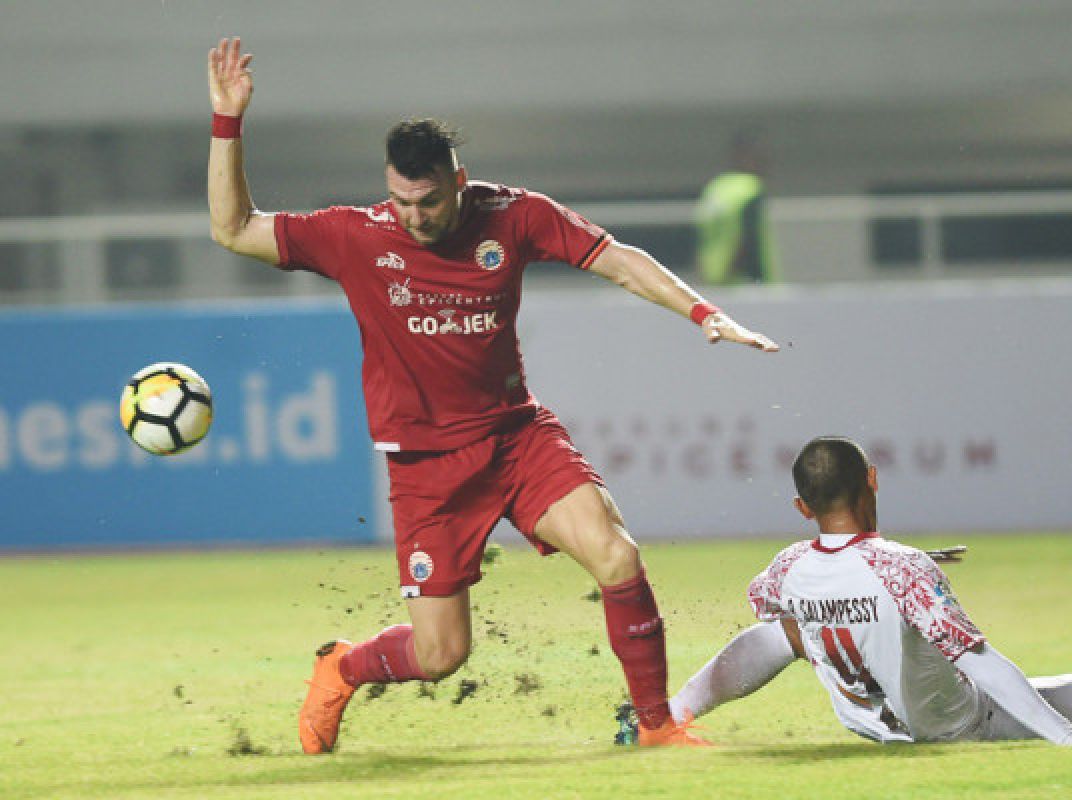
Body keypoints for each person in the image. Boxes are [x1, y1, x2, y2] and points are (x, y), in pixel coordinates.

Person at [206, 37, 778, 754]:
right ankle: (342, 667)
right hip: (426, 469)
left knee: (617, 557)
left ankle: (656, 726)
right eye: (402, 200)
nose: (415, 215)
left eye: (430, 199)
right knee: (442, 655)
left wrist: (705, 313)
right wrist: (227, 122)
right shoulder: (356, 236)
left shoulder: (512, 215)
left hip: (517, 438)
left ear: (459, 181)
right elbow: (231, 229)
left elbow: (619, 262)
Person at [661, 436, 1072, 745]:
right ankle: (1061, 728)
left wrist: (906, 570)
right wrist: (1070, 741)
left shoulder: (788, 567)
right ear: (872, 480)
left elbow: (812, 597)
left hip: (866, 723)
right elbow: (979, 662)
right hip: (956, 725)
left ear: (802, 507)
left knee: (790, 628)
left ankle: (675, 711)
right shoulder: (903, 570)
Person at [695, 130, 778, 285]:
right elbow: (749, 237)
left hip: (713, 278)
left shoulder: (715, 188)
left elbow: (702, 238)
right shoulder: (751, 188)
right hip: (743, 280)